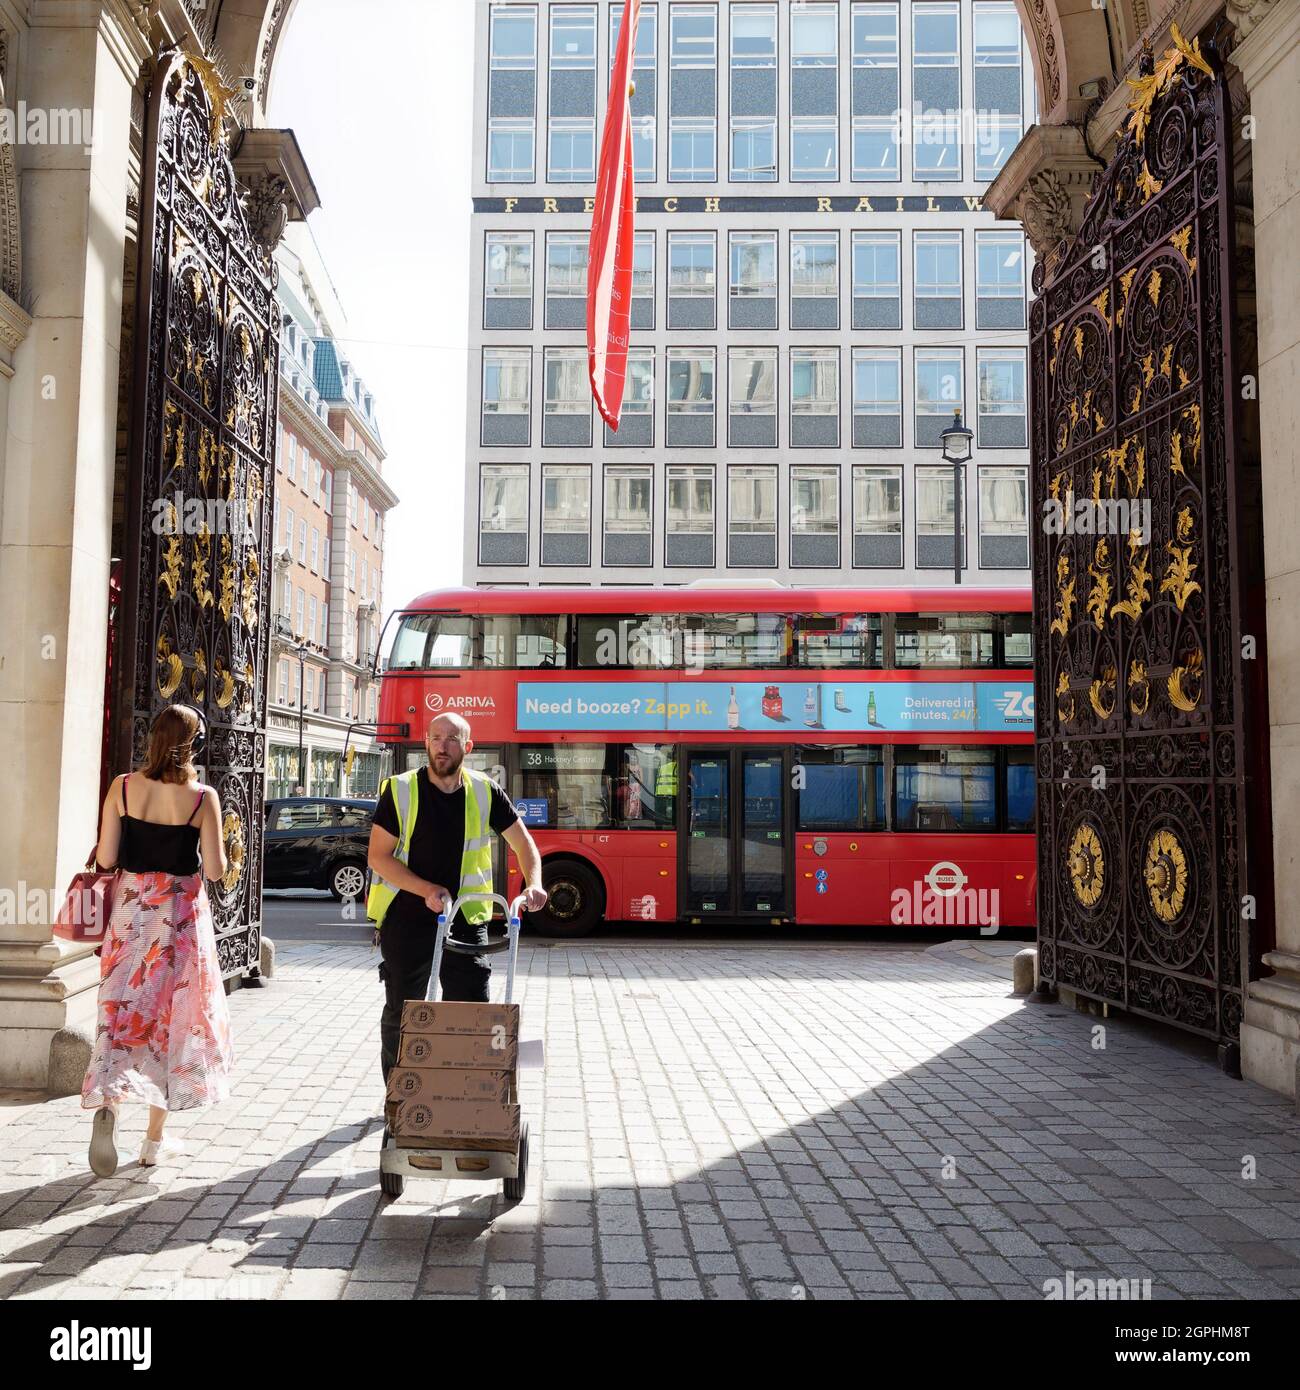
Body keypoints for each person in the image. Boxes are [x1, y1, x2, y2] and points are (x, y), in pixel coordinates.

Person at [83, 704, 233, 1176]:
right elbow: (214, 869)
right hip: (178, 919)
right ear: (194, 744)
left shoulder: (123, 787)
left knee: (119, 1013)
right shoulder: (201, 796)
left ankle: (108, 1105)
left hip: (130, 914)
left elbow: (106, 857)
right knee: (171, 1021)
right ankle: (153, 1141)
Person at [367, 712, 547, 1082]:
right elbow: (377, 857)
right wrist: (426, 889)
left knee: (471, 1007)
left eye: (452, 739)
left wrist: (534, 883)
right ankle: (398, 1094)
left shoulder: (484, 790)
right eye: (435, 738)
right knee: (403, 1009)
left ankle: (464, 1092)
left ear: (468, 746)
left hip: (466, 919)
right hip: (407, 918)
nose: (442, 746)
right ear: (426, 742)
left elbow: (523, 843)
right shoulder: (400, 790)